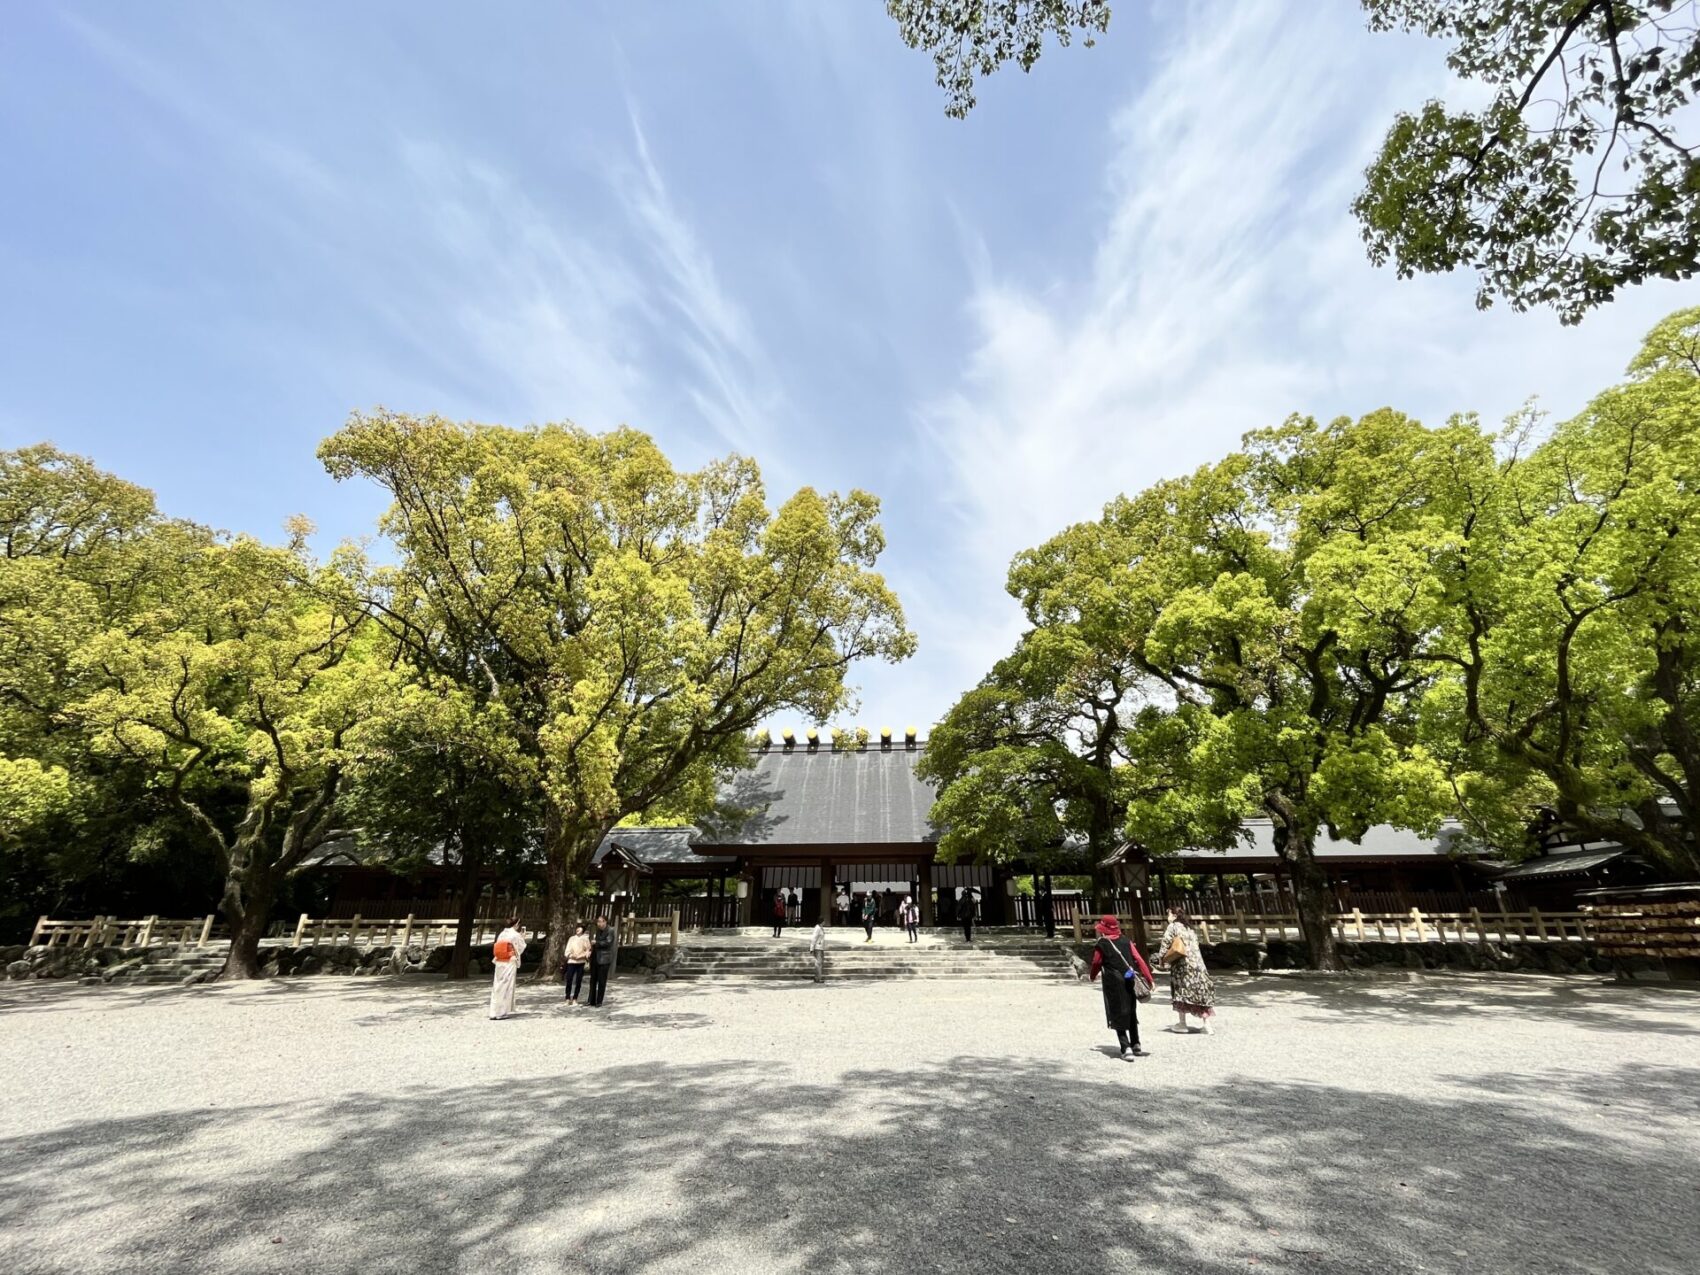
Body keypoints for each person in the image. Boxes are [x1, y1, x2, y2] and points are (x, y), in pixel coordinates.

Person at [1089, 915, 1153, 1060]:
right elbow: (1138, 959)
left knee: (1117, 1012)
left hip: (1113, 982)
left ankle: (1125, 1047)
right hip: (1129, 980)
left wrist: (1092, 975)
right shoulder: (1126, 940)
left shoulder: (1102, 943)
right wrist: (1149, 978)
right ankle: (1136, 1043)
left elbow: (1096, 962)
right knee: (1131, 1010)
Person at [1155, 906, 1216, 1033]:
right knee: (1200, 992)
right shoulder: (1190, 928)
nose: (1168, 917)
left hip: (1182, 965)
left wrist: (1161, 958)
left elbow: (1166, 942)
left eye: (1169, 914)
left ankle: (1182, 1024)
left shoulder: (1173, 926)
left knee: (1181, 992)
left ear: (1174, 915)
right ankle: (1207, 1025)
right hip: (1198, 965)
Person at [488, 917, 526, 1020]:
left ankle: (493, 1012)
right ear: (516, 924)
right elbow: (520, 947)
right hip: (509, 961)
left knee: (497, 985)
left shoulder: (502, 933)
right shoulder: (515, 935)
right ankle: (501, 1012)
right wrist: (522, 938)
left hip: (499, 961)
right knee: (506, 985)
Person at [587, 915, 616, 1007]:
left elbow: (608, 942)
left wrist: (597, 943)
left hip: (604, 958)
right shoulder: (598, 930)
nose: (599, 923)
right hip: (595, 957)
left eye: (600, 921)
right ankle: (591, 1000)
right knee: (593, 980)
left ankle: (599, 1001)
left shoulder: (610, 930)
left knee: (601, 981)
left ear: (605, 921)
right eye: (598, 922)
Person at [563, 923, 591, 1006]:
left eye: (580, 927)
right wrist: (572, 956)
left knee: (578, 981)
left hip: (581, 962)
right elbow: (567, 951)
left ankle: (575, 998)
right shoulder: (571, 938)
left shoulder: (585, 939)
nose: (578, 929)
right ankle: (567, 998)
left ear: (583, 929)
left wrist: (582, 956)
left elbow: (588, 950)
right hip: (571, 961)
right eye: (577, 927)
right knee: (569, 980)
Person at [809, 917, 826, 983]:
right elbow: (814, 938)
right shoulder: (817, 928)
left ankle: (819, 977)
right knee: (818, 963)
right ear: (822, 921)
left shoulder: (821, 928)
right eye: (824, 921)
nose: (824, 922)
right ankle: (817, 978)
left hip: (821, 947)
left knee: (820, 963)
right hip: (817, 947)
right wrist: (811, 948)